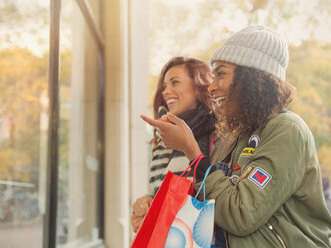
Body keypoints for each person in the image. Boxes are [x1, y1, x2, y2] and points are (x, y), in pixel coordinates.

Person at [141, 26, 331, 247]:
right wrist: (151, 207)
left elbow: (242, 214)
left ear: (252, 79)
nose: (211, 87)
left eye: (220, 74)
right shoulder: (244, 136)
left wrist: (192, 153)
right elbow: (216, 203)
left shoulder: (286, 129)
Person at [131, 56, 232, 237]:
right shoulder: (162, 138)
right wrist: (145, 205)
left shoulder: (219, 134)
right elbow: (162, 193)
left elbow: (219, 195)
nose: (166, 91)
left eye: (175, 83)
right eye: (164, 86)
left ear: (199, 87)